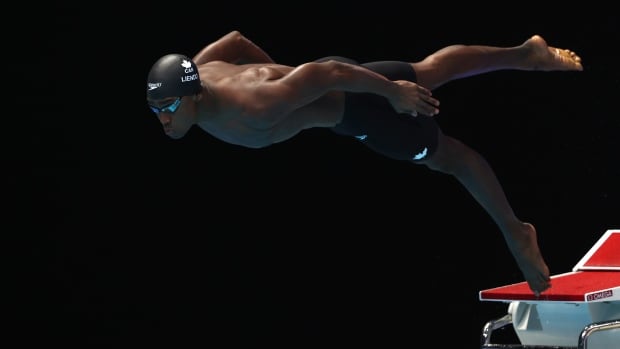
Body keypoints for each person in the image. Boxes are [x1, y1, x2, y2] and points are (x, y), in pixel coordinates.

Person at [145, 30, 583, 296]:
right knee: (427, 69)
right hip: (335, 82)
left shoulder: (254, 105)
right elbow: (237, 40)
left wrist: (390, 92)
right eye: (155, 109)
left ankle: (515, 231)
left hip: (356, 107)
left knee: (450, 158)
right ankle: (526, 53)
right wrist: (285, 73)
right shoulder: (198, 71)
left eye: (168, 107)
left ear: (193, 95)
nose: (163, 119)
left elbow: (327, 76)